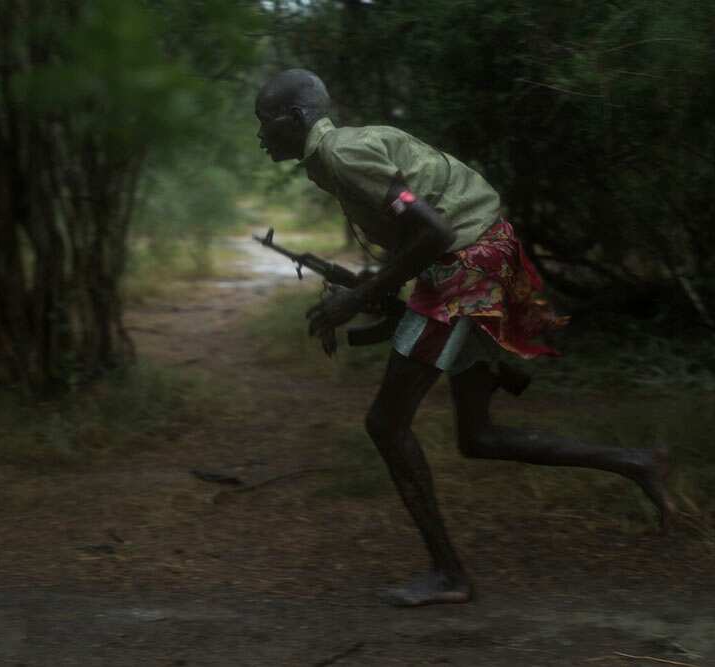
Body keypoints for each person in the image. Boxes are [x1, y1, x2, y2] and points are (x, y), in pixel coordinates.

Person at [254, 69, 674, 607]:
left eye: (264, 122)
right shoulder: (344, 150)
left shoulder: (340, 155)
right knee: (478, 437)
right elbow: (419, 227)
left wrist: (358, 299)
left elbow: (435, 232)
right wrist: (368, 289)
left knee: (385, 423)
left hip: (464, 269)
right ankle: (638, 462)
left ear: (293, 119)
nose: (261, 136)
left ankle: (449, 575)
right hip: (476, 259)